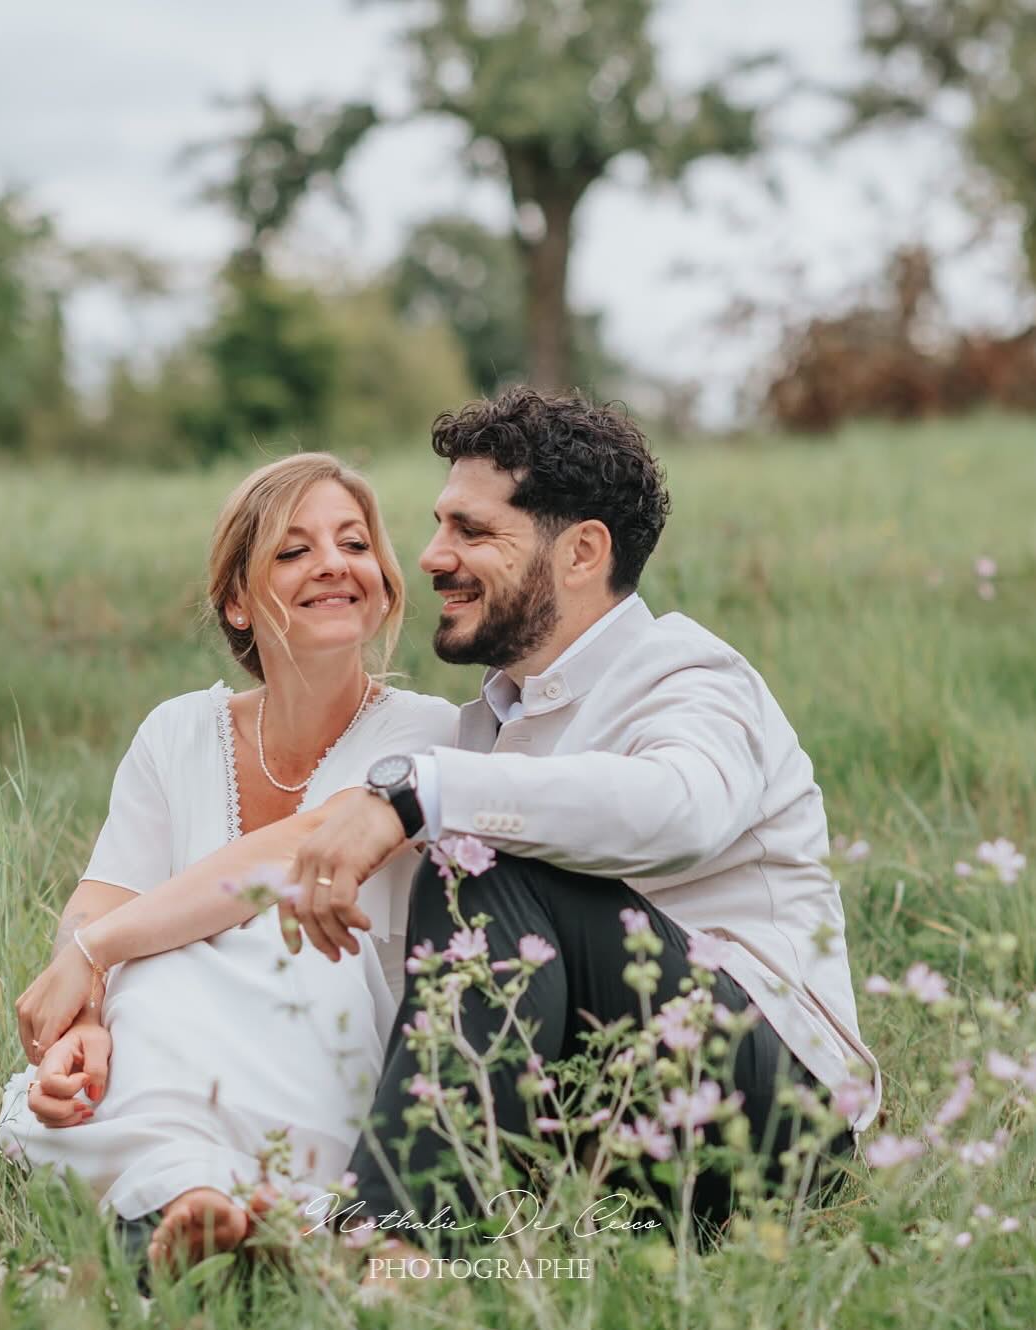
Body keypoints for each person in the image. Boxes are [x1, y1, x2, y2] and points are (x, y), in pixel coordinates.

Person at [281, 386, 883, 1253]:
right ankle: (325, 1207)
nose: (431, 555)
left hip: (777, 1115)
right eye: (440, 525)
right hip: (603, 1125)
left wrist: (424, 789)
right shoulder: (486, 723)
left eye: (472, 531)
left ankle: (394, 1251)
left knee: (491, 863)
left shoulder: (690, 673)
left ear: (581, 553)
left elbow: (683, 808)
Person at [0, 453, 457, 1266]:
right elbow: (100, 901)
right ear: (237, 602)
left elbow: (287, 856)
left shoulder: (430, 734)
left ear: (382, 577)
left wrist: (100, 956)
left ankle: (190, 1202)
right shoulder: (177, 731)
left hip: (324, 1042)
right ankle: (205, 1204)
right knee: (80, 1071)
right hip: (172, 1045)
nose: (334, 566)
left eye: (354, 543)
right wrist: (89, 1017)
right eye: (293, 550)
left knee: (237, 953)